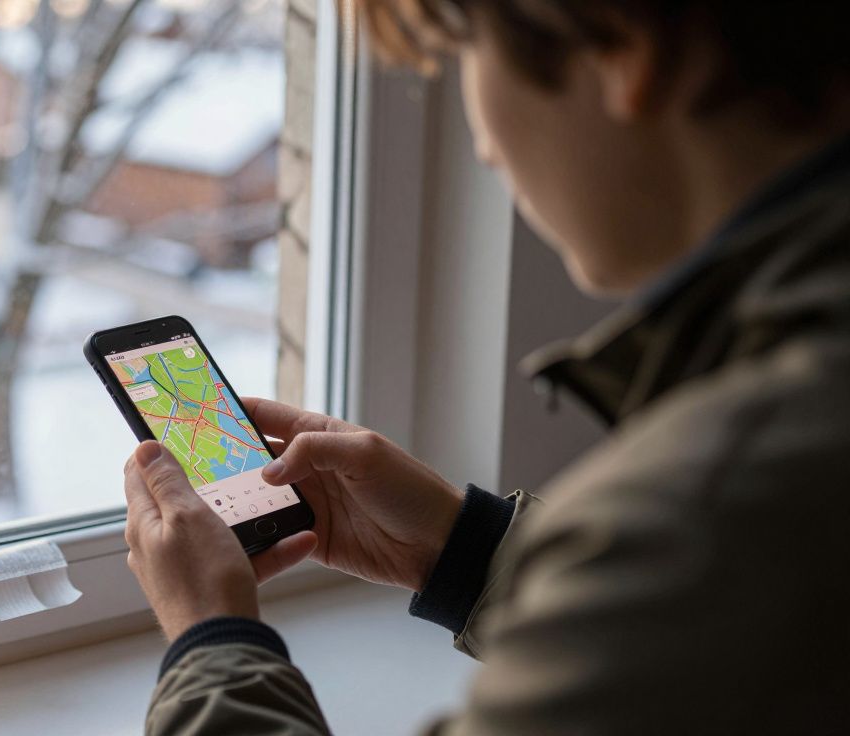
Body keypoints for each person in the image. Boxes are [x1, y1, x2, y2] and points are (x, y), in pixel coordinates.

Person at [120, 1, 850, 733]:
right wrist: (465, 550)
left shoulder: (709, 503)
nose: (485, 147)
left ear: (622, 50)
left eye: (467, 50)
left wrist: (209, 637)